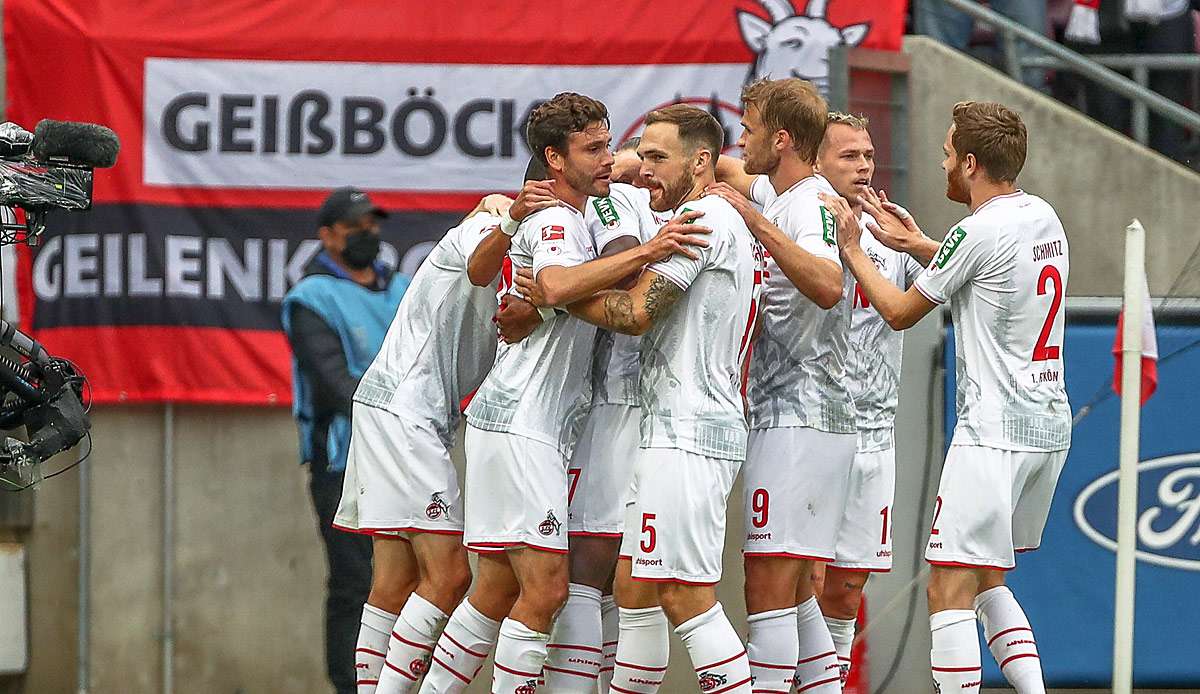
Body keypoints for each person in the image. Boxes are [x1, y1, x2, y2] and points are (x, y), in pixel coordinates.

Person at [425, 93, 702, 694]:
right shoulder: (554, 218)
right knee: (547, 591)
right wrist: (655, 250)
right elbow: (552, 281)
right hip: (524, 423)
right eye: (594, 149)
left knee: (497, 589)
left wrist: (543, 303)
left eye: (609, 145)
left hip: (530, 423)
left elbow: (553, 290)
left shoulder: (587, 211)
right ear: (554, 159)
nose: (610, 159)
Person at [822, 101, 1071, 694]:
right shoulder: (1040, 214)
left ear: (971, 162)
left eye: (947, 154)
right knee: (987, 580)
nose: (942, 166)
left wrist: (855, 249)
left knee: (946, 589)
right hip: (1047, 426)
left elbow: (903, 313)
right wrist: (917, 245)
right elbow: (986, 266)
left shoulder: (977, 229)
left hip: (993, 433)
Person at [515, 103, 762, 694]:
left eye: (657, 158)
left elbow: (634, 313)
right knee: (633, 588)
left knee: (686, 595)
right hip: (674, 428)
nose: (642, 170)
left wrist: (552, 291)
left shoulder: (699, 219)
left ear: (701, 162)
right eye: (640, 155)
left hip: (691, 431)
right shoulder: (696, 212)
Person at [333, 185, 554, 693]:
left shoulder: (537, 244)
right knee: (450, 575)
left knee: (394, 581)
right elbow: (480, 261)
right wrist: (509, 216)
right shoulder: (495, 225)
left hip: (399, 409)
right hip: (407, 412)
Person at [707, 77, 853, 694]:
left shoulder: (807, 202)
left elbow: (826, 283)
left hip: (800, 416)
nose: (742, 141)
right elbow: (732, 170)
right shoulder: (781, 189)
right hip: (805, 417)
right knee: (795, 595)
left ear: (783, 139)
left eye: (751, 129)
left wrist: (752, 219)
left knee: (766, 587)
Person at [809, 112, 927, 684]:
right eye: (848, 157)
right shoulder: (799, 222)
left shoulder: (886, 232)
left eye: (868, 156)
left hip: (875, 433)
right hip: (809, 426)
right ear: (814, 161)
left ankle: (829, 684)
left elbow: (956, 280)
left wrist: (918, 244)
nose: (862, 168)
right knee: (796, 574)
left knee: (849, 582)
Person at [280, 187, 411, 694]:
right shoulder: (309, 299)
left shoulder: (401, 287)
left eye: (373, 224)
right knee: (356, 582)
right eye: (356, 226)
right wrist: (408, 401)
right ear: (328, 236)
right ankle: (350, 686)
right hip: (341, 461)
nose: (369, 233)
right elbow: (337, 386)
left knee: (414, 582)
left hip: (406, 455)